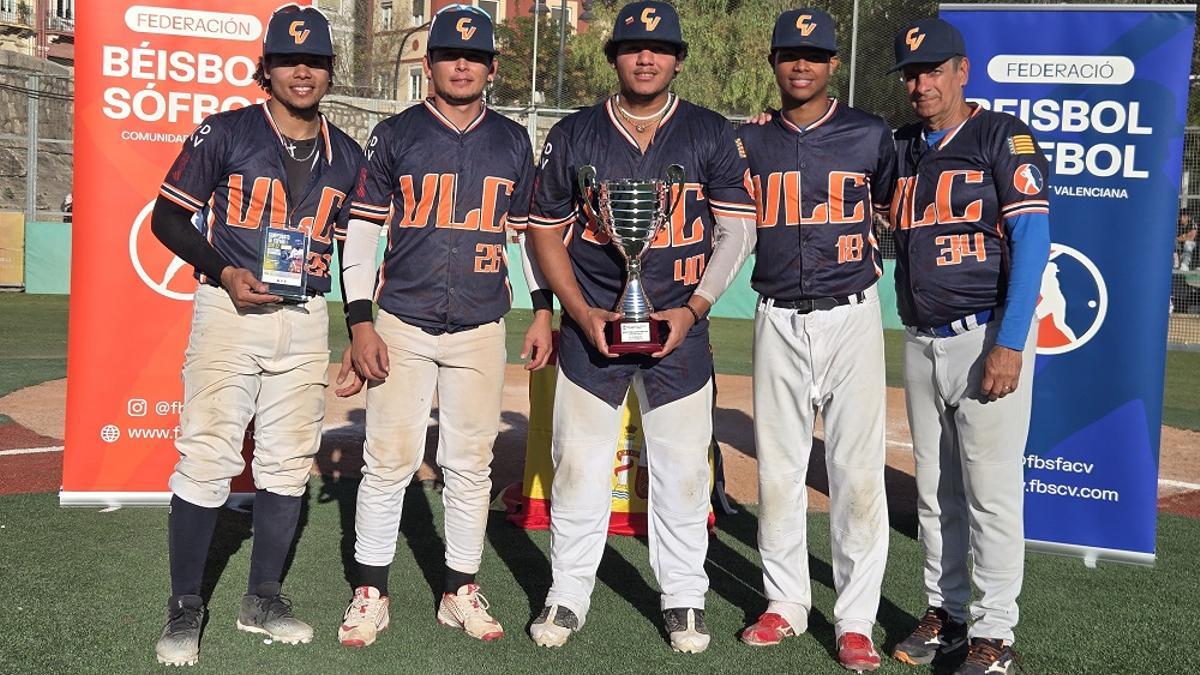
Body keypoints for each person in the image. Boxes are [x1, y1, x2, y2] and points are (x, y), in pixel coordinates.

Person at [525, 0, 757, 654]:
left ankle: (684, 597)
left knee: (684, 472)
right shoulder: (574, 134)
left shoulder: (710, 132)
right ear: (616, 56)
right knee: (578, 468)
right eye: (632, 46)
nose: (646, 56)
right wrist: (579, 310)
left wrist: (693, 309)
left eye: (659, 47)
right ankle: (567, 592)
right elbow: (543, 231)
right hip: (593, 327)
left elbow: (738, 230)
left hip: (679, 333)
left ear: (677, 57)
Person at [149, 4, 364, 667]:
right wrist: (223, 268)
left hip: (303, 317)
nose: (304, 71)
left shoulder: (348, 154)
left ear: (330, 71)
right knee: (208, 454)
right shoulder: (226, 131)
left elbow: (358, 248)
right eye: (290, 59)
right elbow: (168, 218)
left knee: (288, 460)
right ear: (264, 69)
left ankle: (261, 596)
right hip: (229, 310)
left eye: (317, 61)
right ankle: (184, 606)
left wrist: (358, 325)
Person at [333, 4, 553, 648]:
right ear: (429, 63)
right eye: (452, 55)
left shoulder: (512, 139)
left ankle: (459, 589)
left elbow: (524, 240)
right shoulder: (397, 132)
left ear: (491, 66)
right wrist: (359, 322)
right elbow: (364, 233)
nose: (463, 64)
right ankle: (370, 590)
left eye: (476, 55)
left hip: (482, 323)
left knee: (470, 464)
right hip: (401, 319)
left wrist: (541, 307)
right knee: (387, 459)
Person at [886, 18, 1050, 675]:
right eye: (912, 74)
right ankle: (946, 613)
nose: (922, 83)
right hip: (922, 337)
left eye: (933, 70)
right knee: (935, 491)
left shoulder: (1000, 136)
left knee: (990, 492)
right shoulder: (900, 146)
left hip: (984, 333)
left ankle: (996, 634)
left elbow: (1033, 242)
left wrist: (1009, 342)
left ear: (963, 70)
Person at [735, 9, 895, 672]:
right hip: (776, 313)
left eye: (815, 54)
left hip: (852, 314)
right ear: (774, 62)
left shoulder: (869, 133)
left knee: (857, 474)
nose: (801, 64)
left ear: (833, 63)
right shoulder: (749, 141)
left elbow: (887, 204)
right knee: (778, 471)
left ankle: (855, 619)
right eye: (789, 54)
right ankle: (786, 602)